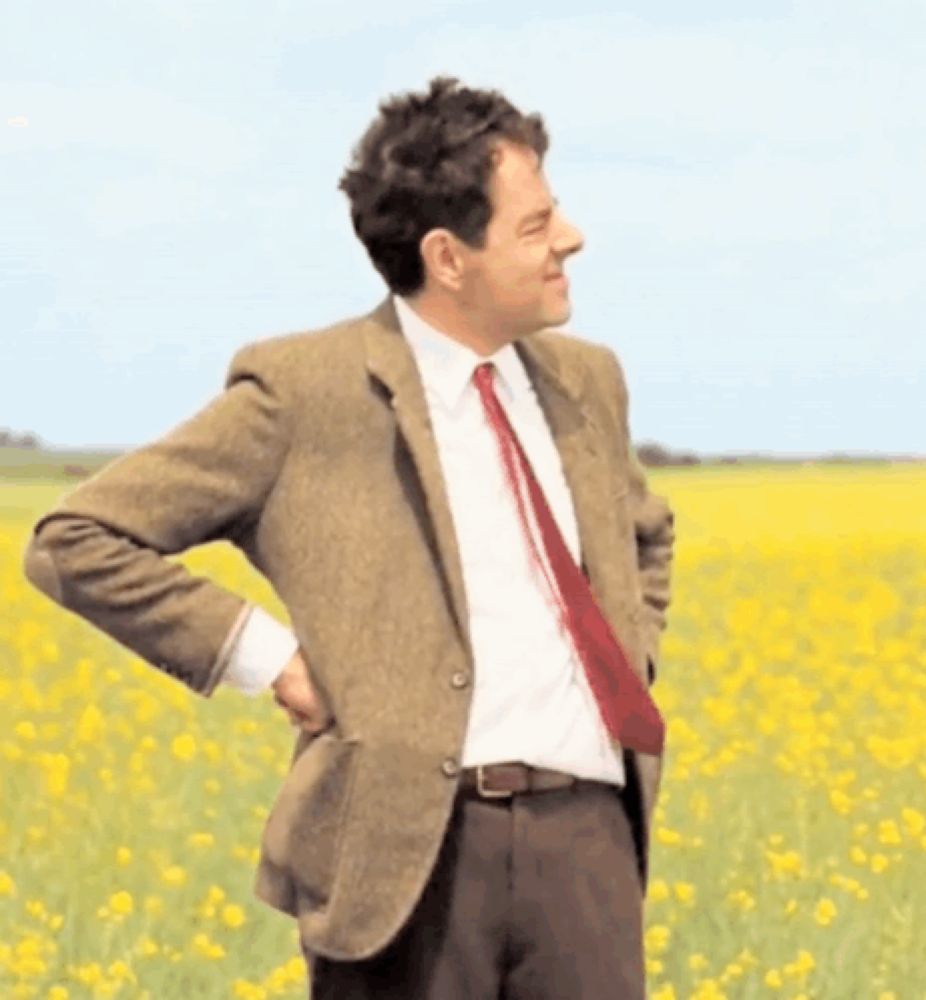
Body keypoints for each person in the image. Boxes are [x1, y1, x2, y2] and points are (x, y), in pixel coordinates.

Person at [22, 74, 675, 999]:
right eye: (535, 226)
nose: (569, 239)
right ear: (448, 257)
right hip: (407, 855)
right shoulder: (305, 391)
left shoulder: (587, 380)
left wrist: (628, 654)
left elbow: (647, 535)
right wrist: (270, 658)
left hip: (588, 846)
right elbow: (75, 539)